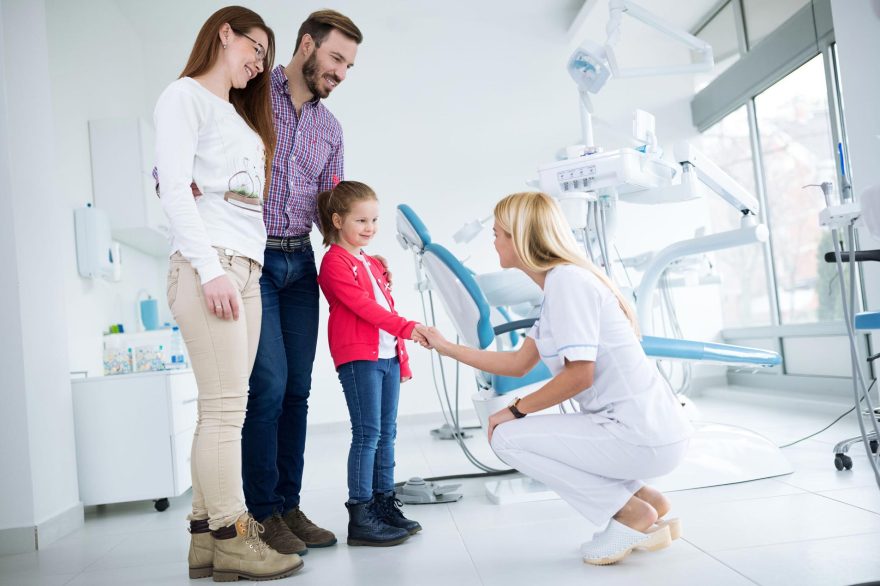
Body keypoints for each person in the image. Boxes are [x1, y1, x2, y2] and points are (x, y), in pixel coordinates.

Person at [416, 192, 693, 566]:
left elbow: (580, 375)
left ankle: (629, 513)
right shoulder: (557, 287)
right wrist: (446, 347)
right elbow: (517, 363)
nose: (493, 239)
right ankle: (646, 501)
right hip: (644, 429)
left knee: (507, 437)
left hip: (640, 433)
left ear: (520, 238)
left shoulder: (568, 284)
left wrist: (513, 411)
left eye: (498, 232)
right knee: (512, 429)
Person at [154, 6, 302, 581]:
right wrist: (209, 269)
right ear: (225, 34)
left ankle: (204, 539)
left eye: (266, 56)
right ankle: (237, 537)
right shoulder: (183, 96)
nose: (260, 63)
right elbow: (174, 188)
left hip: (246, 268)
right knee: (224, 413)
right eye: (256, 48)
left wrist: (236, 270)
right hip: (210, 265)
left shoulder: (239, 117)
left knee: (220, 414)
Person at [240, 10, 365, 556]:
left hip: (301, 265)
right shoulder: (246, 95)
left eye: (349, 66)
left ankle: (287, 507)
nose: (340, 73)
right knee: (266, 387)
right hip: (252, 261)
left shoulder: (329, 129)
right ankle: (261, 514)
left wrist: (358, 264)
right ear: (307, 45)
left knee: (297, 390)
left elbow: (330, 209)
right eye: (336, 58)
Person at [315, 181, 425, 546]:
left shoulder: (367, 261)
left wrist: (401, 356)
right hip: (359, 356)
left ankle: (382, 503)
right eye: (361, 220)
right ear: (337, 220)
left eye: (374, 220)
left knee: (386, 433)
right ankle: (361, 515)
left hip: (385, 354)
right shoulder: (334, 261)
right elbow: (365, 308)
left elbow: (385, 304)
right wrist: (409, 329)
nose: (370, 227)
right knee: (367, 435)